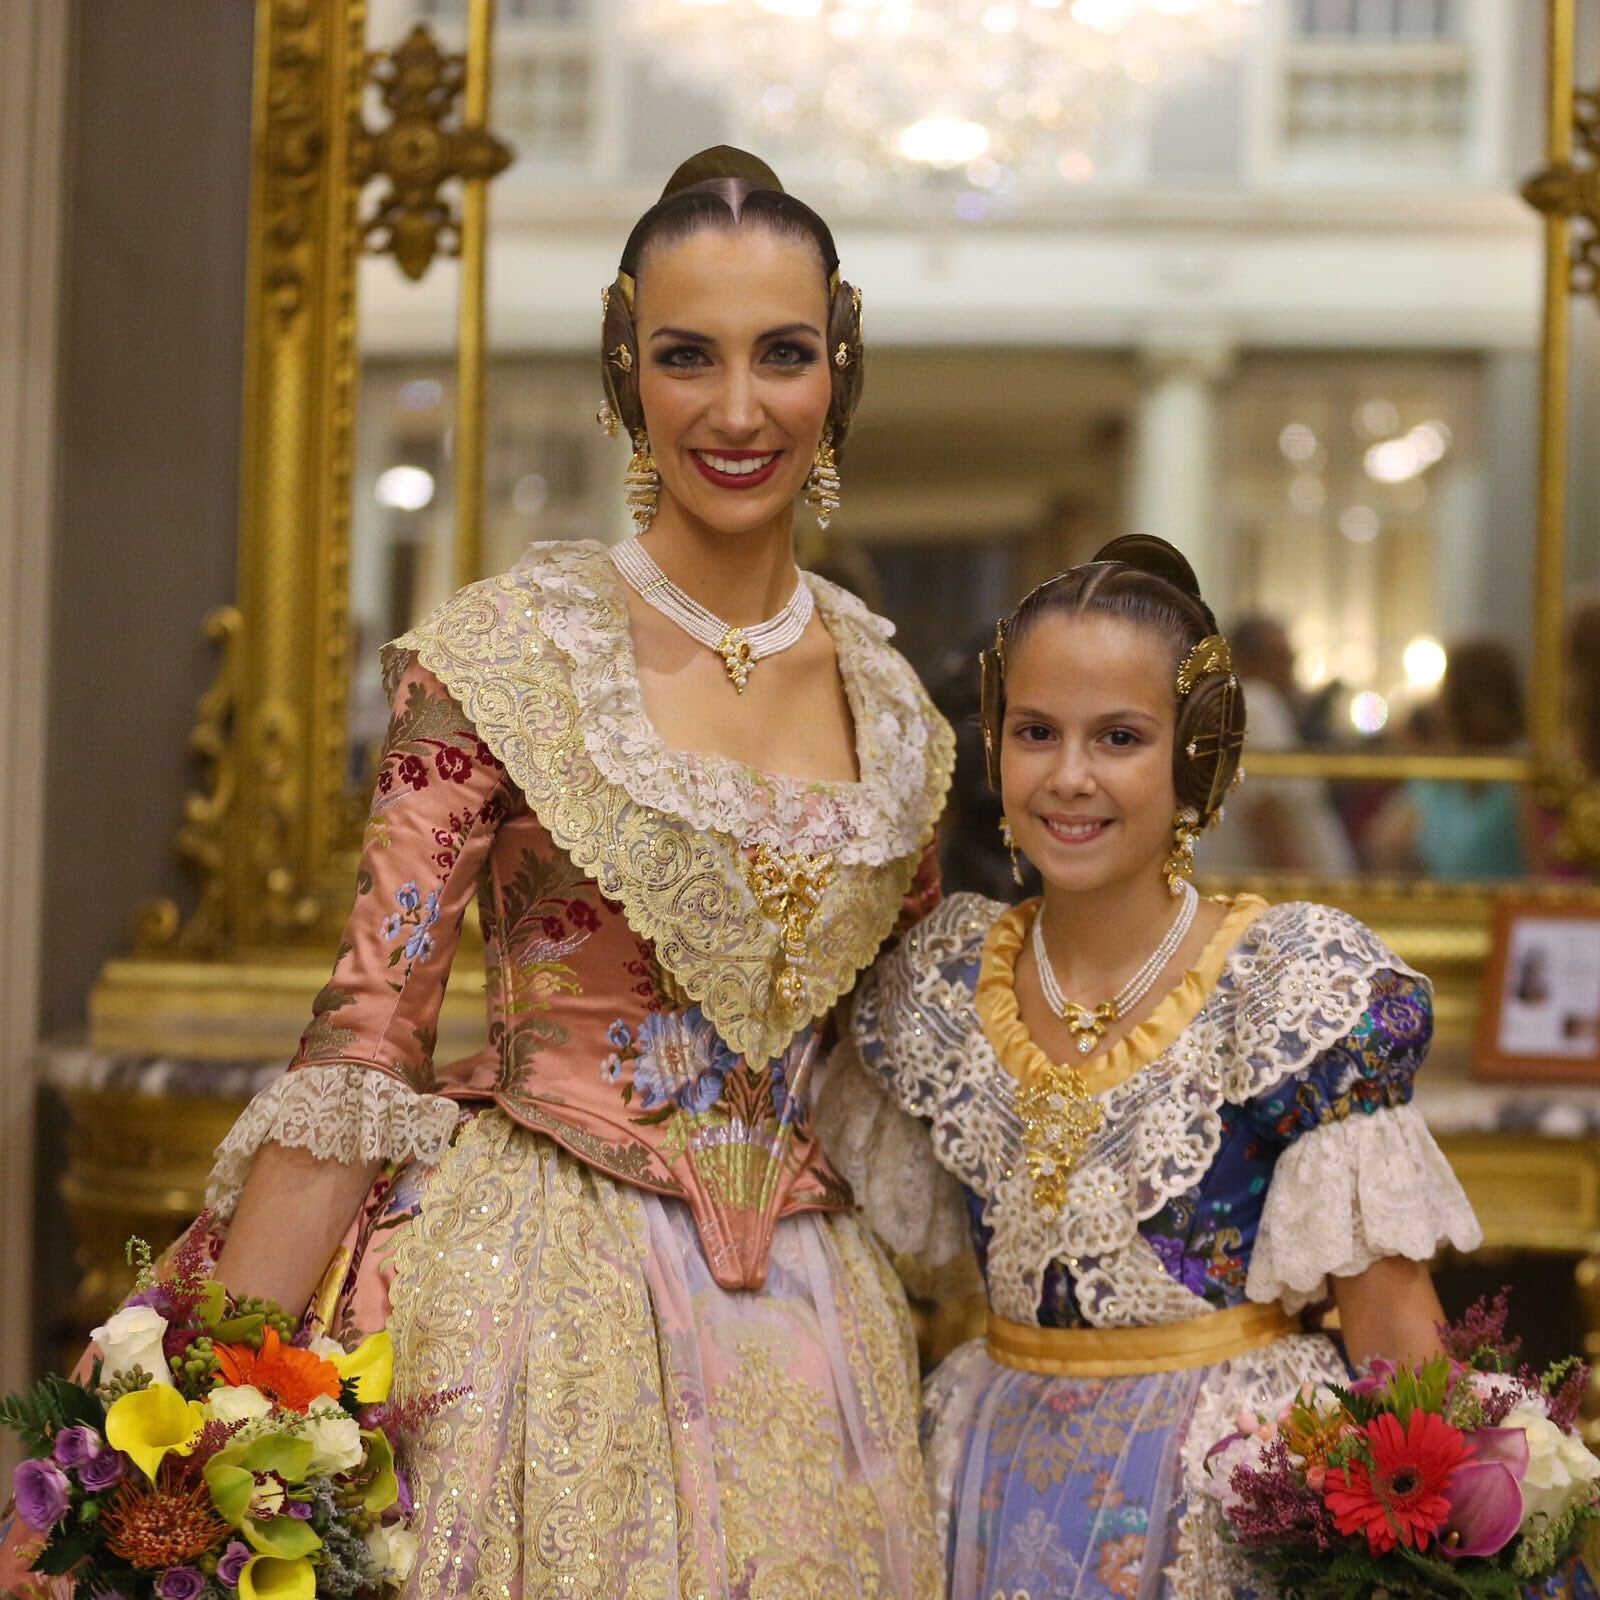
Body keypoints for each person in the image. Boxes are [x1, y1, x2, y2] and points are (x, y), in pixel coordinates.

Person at [3, 147, 952, 1596]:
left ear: (844, 369)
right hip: (538, 1296)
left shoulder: (898, 712)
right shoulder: (508, 655)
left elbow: (904, 1066)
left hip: (824, 1331)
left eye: (785, 355)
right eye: (687, 357)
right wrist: (193, 1441)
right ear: (626, 369)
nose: (739, 408)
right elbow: (368, 1035)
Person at [818, 536, 1486, 1598]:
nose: (1069, 775)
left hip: (1221, 1500)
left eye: (1118, 736)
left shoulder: (1286, 982)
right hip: (989, 1485)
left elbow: (1393, 1326)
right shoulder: (936, 983)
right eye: (1036, 732)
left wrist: (1461, 1550)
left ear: (1192, 755)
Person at [1199, 613, 1357, 876]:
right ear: (1247, 660)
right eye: (1280, 659)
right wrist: (1301, 897)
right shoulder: (1256, 703)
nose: (1289, 670)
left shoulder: (1237, 706)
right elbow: (1265, 810)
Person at [1367, 638, 1530, 880]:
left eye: (1446, 688)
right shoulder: (1439, 775)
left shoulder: (1522, 774)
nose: (1438, 701)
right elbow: (1385, 843)